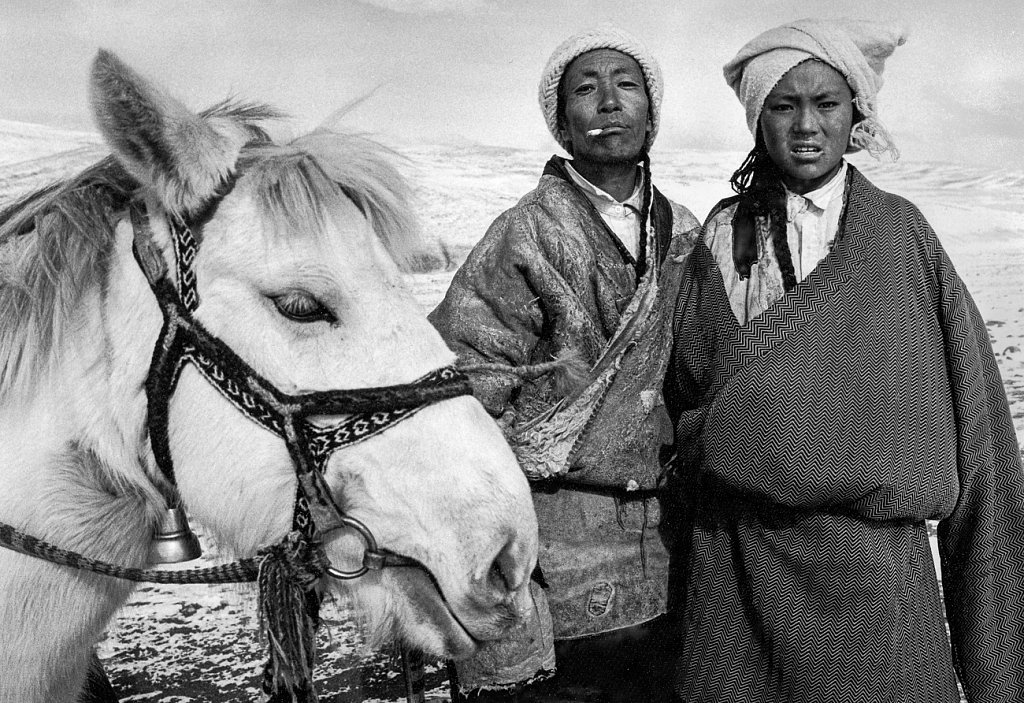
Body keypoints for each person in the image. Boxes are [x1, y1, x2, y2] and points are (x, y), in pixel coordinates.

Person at [664, 17, 1024, 703]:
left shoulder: (902, 235)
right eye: (783, 104)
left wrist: (999, 674)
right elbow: (687, 401)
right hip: (741, 582)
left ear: (856, 111)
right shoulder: (718, 237)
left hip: (879, 596)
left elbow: (984, 456)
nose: (806, 125)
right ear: (755, 118)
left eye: (826, 103)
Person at [429, 26, 700, 703]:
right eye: (586, 88)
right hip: (553, 545)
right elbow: (467, 384)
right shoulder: (524, 233)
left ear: (652, 110)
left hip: (667, 554)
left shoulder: (686, 233)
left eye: (625, 84)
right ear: (562, 120)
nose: (608, 101)